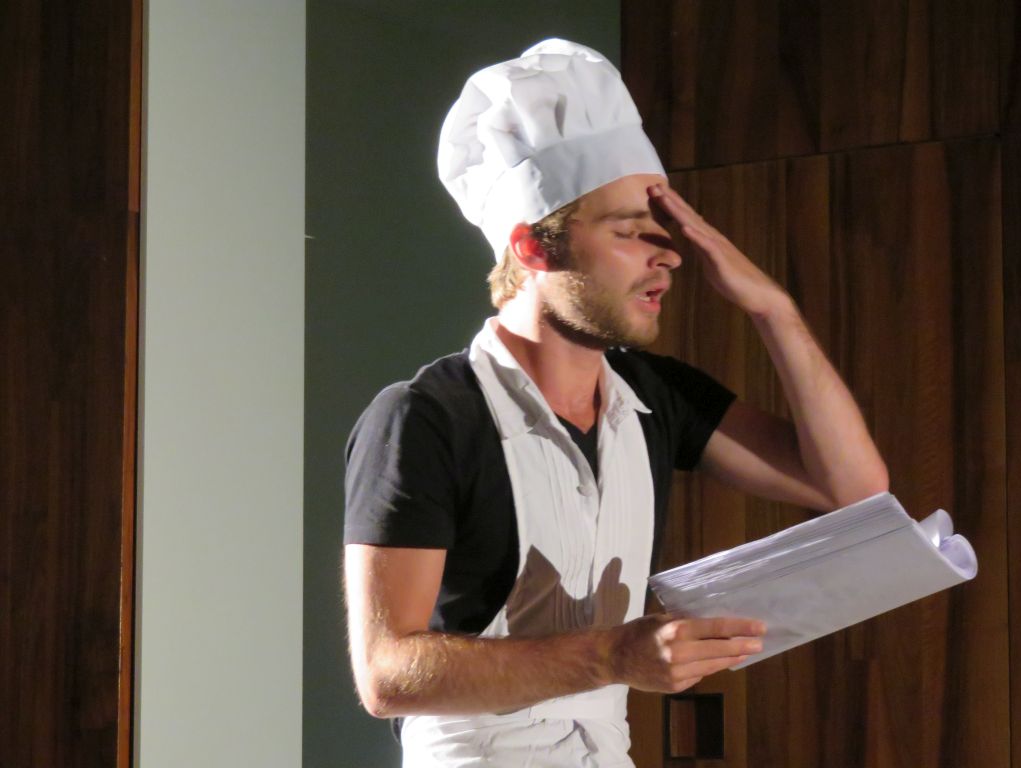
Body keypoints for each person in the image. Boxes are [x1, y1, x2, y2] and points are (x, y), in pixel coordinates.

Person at [343, 39, 888, 767]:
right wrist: (614, 655)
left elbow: (853, 489)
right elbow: (386, 674)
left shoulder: (654, 395)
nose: (670, 253)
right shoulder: (427, 417)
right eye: (631, 231)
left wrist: (774, 310)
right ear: (534, 249)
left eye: (665, 231)